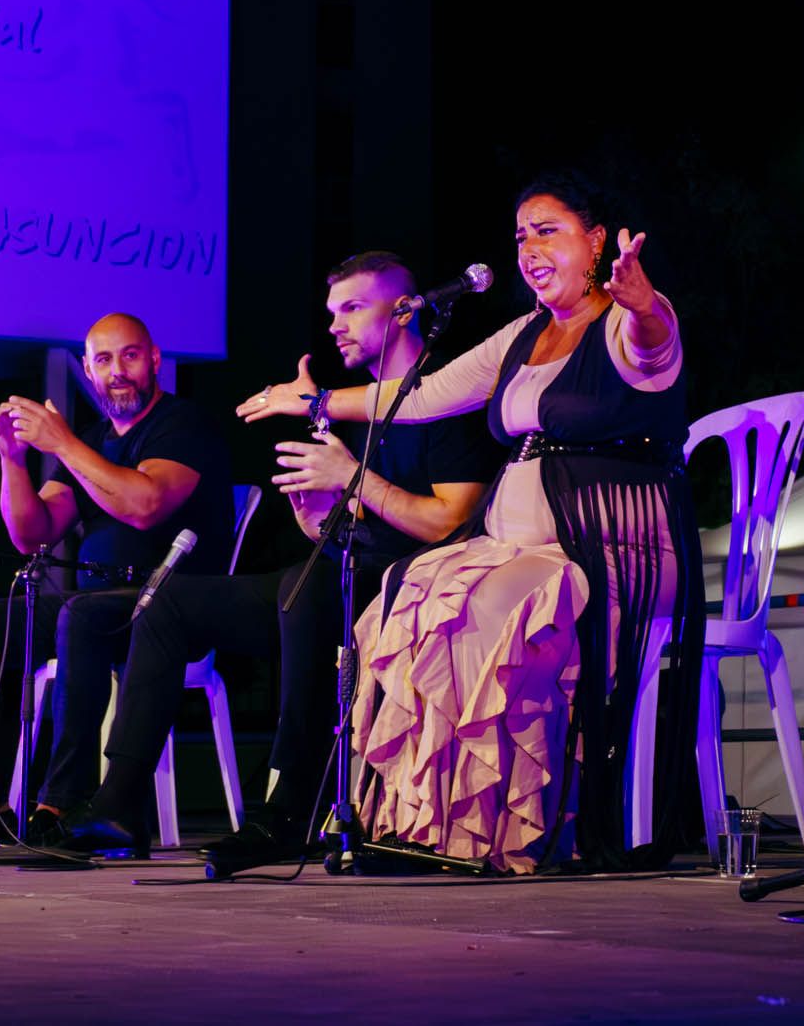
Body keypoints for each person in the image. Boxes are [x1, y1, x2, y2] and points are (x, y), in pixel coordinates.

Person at [238, 172, 701, 875]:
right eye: (521, 235)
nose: (530, 247)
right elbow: (421, 396)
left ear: (596, 241)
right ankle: (422, 822)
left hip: (616, 541)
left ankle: (491, 832)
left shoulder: (628, 315)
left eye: (549, 230)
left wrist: (643, 308)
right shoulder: (523, 335)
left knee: (486, 606)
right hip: (523, 548)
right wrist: (321, 401)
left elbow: (653, 349)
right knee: (411, 594)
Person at [59, 253, 499, 864]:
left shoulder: (445, 396)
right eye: (331, 312)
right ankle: (118, 807)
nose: (336, 326)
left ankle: (289, 809)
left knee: (309, 591)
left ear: (403, 311)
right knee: (172, 602)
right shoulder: (364, 409)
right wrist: (316, 513)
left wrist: (353, 477)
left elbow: (448, 522)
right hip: (350, 577)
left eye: (352, 308)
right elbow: (349, 526)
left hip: (428, 587)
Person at [0, 311, 233, 852]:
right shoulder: (94, 440)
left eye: (128, 356)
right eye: (102, 360)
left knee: (81, 615)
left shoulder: (182, 424)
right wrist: (14, 461)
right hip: (93, 604)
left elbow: (145, 504)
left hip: (174, 607)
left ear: (153, 360)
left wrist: (63, 445)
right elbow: (34, 536)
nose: (116, 372)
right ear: (87, 369)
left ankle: (64, 805)